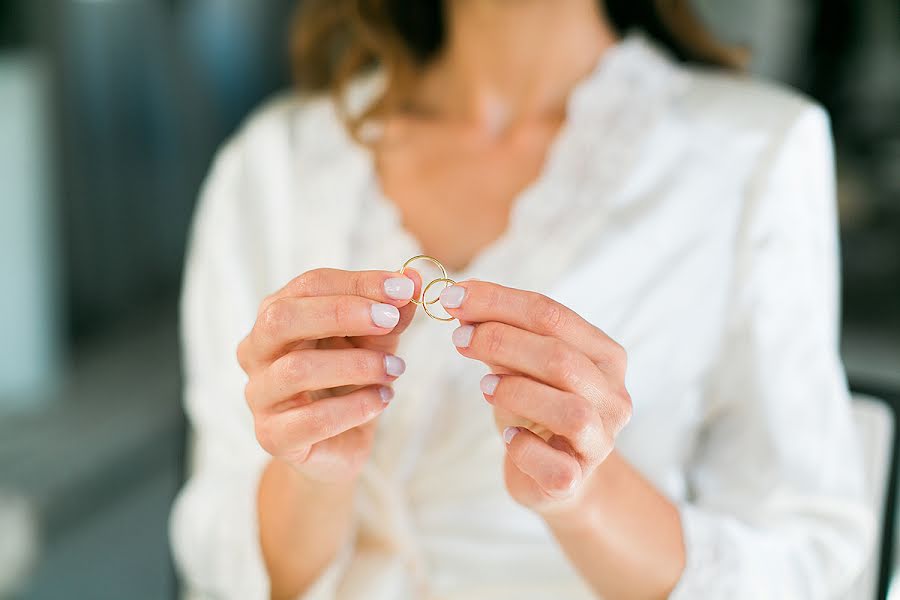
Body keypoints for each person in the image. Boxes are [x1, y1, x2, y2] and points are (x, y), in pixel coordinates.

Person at [170, 1, 874, 598]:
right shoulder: (270, 167)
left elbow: (809, 558)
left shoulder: (754, 152)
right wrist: (313, 481)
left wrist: (587, 499)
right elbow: (212, 545)